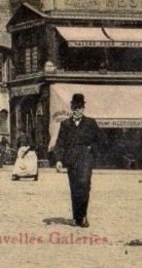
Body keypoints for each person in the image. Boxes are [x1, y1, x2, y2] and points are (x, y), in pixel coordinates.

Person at [53, 93, 100, 227]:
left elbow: (101, 140)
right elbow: (60, 143)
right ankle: (75, 217)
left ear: (83, 108)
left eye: (80, 107)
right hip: (72, 159)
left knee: (84, 186)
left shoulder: (91, 123)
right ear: (72, 107)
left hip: (86, 158)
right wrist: (59, 160)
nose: (77, 110)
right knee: (74, 187)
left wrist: (92, 150)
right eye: (75, 107)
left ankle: (83, 216)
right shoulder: (65, 124)